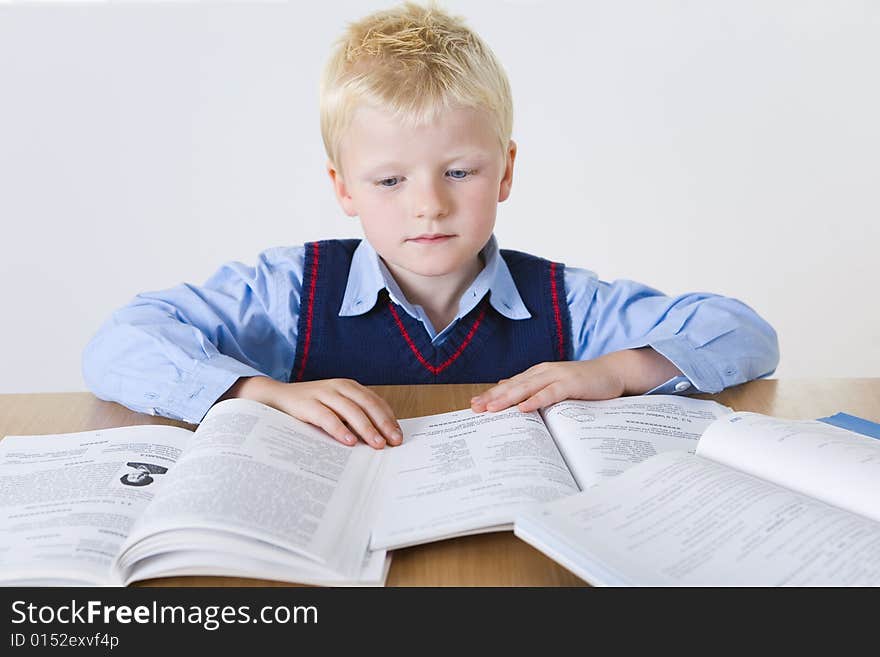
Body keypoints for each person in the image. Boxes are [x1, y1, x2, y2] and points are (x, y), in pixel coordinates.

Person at [82, 1, 778, 451]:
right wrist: (255, 390)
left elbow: (744, 332)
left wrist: (615, 370)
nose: (429, 206)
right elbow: (121, 340)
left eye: (459, 172)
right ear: (343, 188)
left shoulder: (568, 304)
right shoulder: (289, 292)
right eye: (390, 180)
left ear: (505, 171)